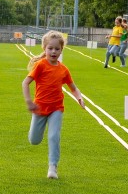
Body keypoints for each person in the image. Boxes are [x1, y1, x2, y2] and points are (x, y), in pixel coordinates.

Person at [22, 31, 85, 179]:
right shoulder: (40, 65)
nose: (53, 52)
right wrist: (29, 101)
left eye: (57, 49)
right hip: (39, 108)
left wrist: (79, 98)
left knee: (54, 136)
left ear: (61, 50)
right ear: (44, 48)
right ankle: (37, 132)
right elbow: (25, 83)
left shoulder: (63, 69)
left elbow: (73, 87)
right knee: (34, 140)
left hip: (56, 108)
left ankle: (53, 167)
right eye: (50, 48)